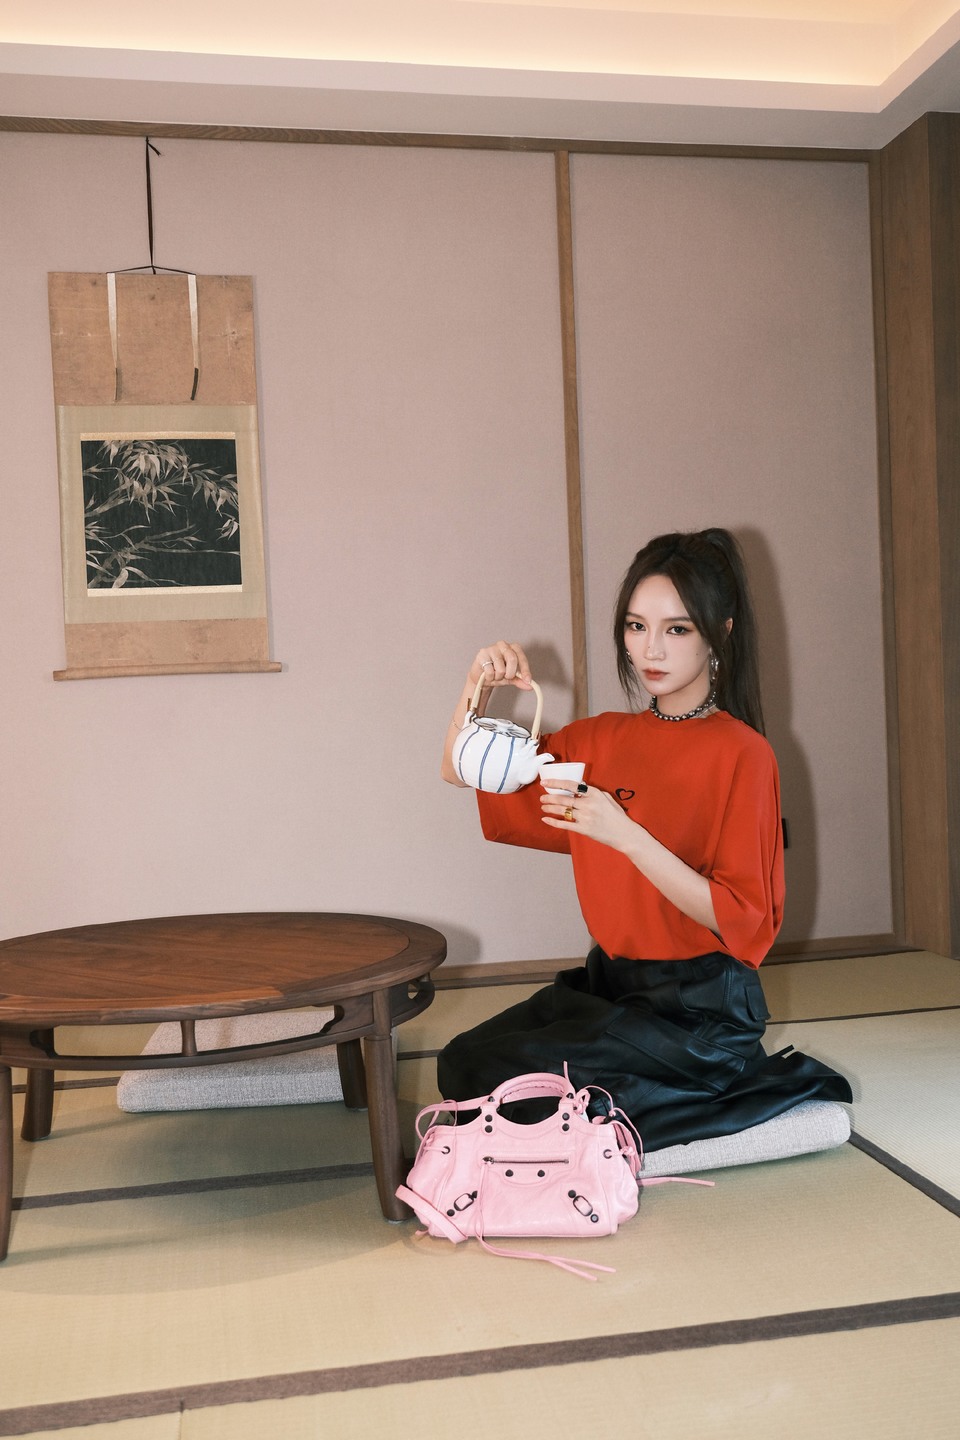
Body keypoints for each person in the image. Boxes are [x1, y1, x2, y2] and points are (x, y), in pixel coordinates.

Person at [438, 527, 851, 1149]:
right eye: (636, 626)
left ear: (720, 633)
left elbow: (741, 918)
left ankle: (723, 1079)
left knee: (527, 1097)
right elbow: (458, 770)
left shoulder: (744, 754)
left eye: (676, 629)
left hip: (700, 1009)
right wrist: (478, 685)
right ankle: (647, 1102)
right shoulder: (598, 739)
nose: (650, 649)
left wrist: (624, 834)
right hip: (609, 990)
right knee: (464, 1065)